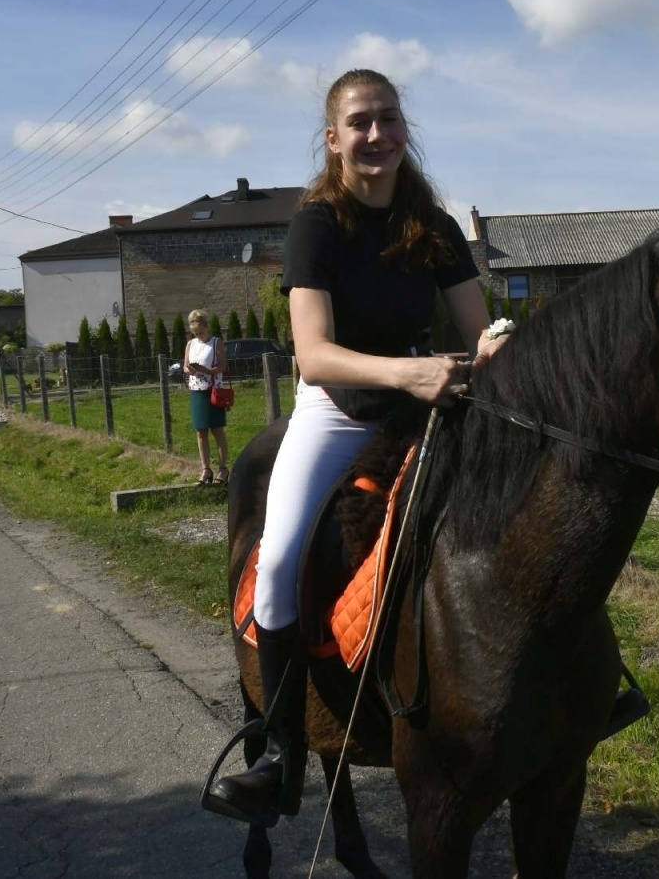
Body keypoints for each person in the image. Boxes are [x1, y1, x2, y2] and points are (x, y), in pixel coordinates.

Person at [203, 68, 509, 826]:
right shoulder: (315, 224)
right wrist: (410, 371)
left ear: (406, 129)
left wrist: (500, 349)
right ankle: (276, 750)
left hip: (426, 407)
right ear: (334, 139)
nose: (378, 135)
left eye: (389, 119)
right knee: (276, 559)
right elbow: (313, 354)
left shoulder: (433, 225)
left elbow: (479, 329)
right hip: (337, 413)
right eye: (360, 123)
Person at [183, 309, 230, 485]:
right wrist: (191, 369)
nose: (199, 336)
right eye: (195, 333)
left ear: (206, 327)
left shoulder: (216, 342)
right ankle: (205, 469)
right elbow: (185, 367)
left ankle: (223, 469)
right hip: (196, 389)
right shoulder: (190, 344)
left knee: (217, 429)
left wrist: (208, 371)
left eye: (201, 332)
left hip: (213, 390)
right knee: (200, 430)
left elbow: (223, 366)